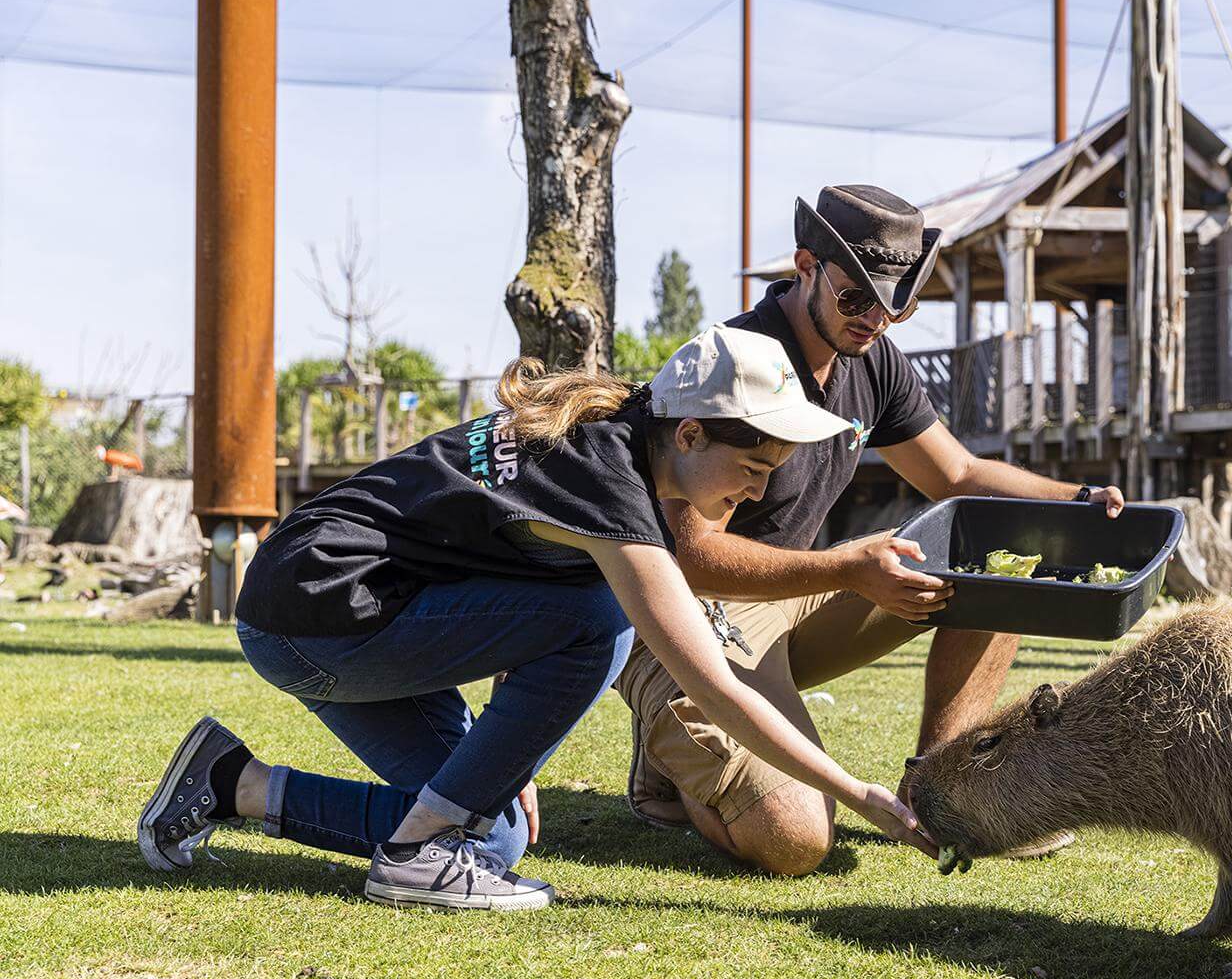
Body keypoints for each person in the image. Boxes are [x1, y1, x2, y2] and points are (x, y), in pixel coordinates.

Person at [138, 326, 932, 911]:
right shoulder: (610, 485)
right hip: (317, 616)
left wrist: (500, 754)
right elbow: (713, 684)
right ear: (689, 433)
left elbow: (499, 566)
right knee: (606, 619)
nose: (757, 494)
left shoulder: (617, 427)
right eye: (752, 468)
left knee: (491, 840)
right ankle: (415, 855)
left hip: (361, 606)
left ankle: (231, 782)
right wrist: (855, 792)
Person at [618, 184, 1122, 876]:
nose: (875, 320)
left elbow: (959, 475)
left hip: (789, 600)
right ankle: (672, 762)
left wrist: (1079, 498)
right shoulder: (738, 362)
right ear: (805, 265)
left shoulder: (871, 358)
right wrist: (849, 569)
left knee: (994, 577)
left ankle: (943, 796)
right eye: (856, 298)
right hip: (684, 617)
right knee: (795, 842)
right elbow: (692, 557)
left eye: (897, 305)